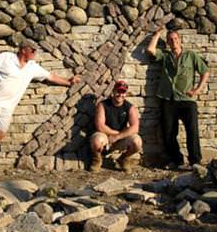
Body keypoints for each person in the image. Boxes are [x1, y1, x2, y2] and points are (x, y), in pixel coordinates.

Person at [0, 40, 80, 178]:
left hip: (8, 106)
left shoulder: (32, 67)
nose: (35, 53)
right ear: (24, 50)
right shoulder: (6, 57)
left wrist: (68, 82)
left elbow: (51, 77)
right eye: (33, 50)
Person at [146, 27, 210, 169]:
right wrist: (157, 35)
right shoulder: (165, 56)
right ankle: (177, 161)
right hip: (168, 99)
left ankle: (195, 162)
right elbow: (150, 50)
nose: (173, 41)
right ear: (168, 42)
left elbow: (205, 71)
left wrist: (197, 89)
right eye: (170, 40)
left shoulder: (191, 56)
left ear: (180, 40)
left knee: (192, 131)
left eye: (175, 39)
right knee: (168, 132)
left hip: (187, 100)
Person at [89, 80, 142, 172]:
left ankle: (123, 159)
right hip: (105, 135)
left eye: (123, 92)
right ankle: (97, 160)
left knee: (137, 142)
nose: (120, 94)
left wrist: (118, 136)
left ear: (126, 94)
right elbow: (100, 126)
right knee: (96, 141)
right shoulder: (103, 105)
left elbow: (135, 128)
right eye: (118, 91)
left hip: (120, 137)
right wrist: (115, 134)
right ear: (113, 91)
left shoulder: (130, 107)